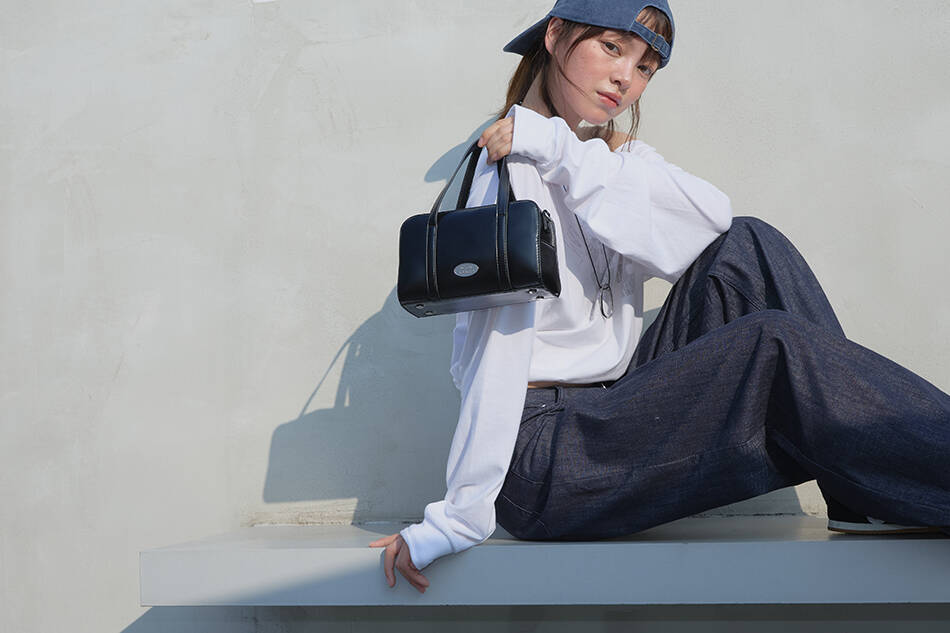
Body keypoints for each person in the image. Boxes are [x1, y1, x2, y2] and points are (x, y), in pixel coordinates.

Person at [370, 0, 950, 594]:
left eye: (646, 66)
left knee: (748, 244)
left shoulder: (602, 160)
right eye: (612, 48)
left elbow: (712, 220)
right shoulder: (505, 173)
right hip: (544, 461)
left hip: (612, 408)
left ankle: (861, 490)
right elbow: (495, 352)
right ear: (555, 34)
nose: (626, 77)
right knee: (771, 342)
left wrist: (568, 151)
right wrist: (459, 518)